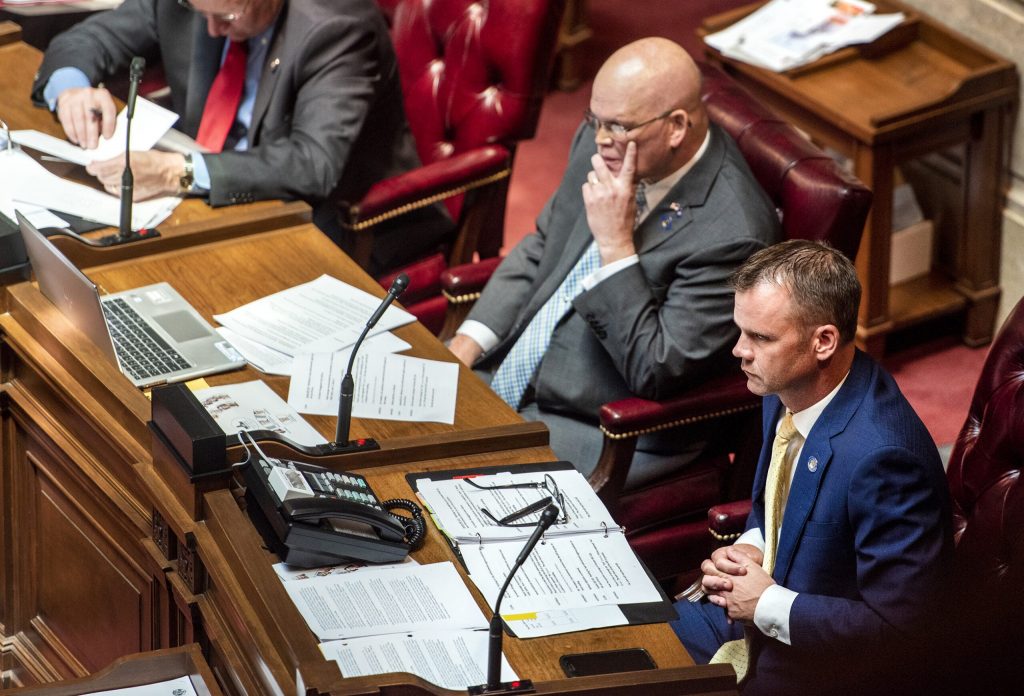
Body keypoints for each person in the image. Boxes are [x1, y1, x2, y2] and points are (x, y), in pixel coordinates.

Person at [447, 38, 780, 486]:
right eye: (594, 120)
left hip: (606, 429)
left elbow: (656, 369)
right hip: (514, 369)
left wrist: (616, 246)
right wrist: (467, 344)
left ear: (677, 127)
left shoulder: (733, 234)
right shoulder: (609, 140)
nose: (599, 140)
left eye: (617, 127)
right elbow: (544, 244)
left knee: (441, 486)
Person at [670, 240, 953, 695]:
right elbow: (775, 502)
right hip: (750, 625)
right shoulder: (785, 386)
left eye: (760, 337)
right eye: (741, 331)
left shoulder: (885, 460)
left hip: (821, 666)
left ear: (823, 341)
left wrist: (765, 603)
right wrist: (752, 545)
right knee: (618, 643)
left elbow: (901, 632)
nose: (739, 351)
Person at [30, 0, 449, 274]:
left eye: (226, 18)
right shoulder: (193, 4)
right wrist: (71, 87)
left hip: (325, 218)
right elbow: (91, 38)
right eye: (202, 13)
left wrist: (179, 171)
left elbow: (313, 163)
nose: (210, 30)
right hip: (203, 197)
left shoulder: (337, 28)